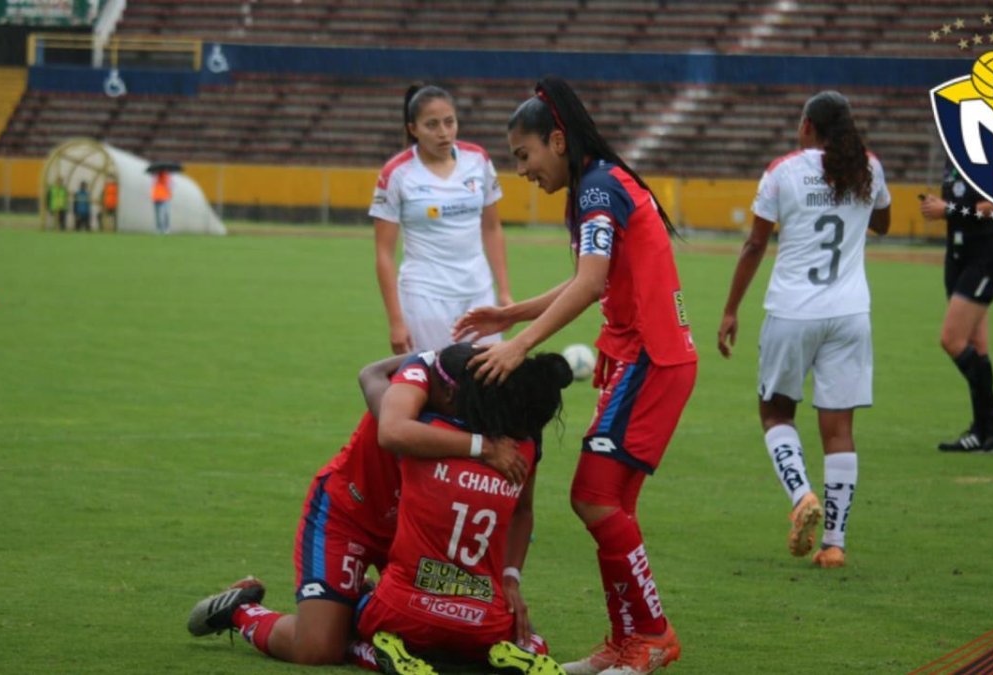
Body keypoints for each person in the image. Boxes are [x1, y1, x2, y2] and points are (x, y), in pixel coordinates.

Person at [453, 76, 698, 675]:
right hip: (646, 357)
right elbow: (594, 277)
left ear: (557, 141)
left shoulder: (597, 188)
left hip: (650, 358)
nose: (522, 170)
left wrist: (519, 346)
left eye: (524, 155)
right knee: (609, 504)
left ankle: (653, 635)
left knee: (592, 498)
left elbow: (590, 284)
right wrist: (511, 314)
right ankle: (626, 639)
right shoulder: (600, 183)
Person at [186, 344, 535, 668]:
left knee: (451, 632)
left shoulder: (492, 411)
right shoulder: (412, 387)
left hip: (414, 535)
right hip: (349, 516)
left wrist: (509, 578)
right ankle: (241, 609)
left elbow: (522, 508)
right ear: (447, 392)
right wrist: (479, 444)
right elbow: (387, 416)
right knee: (317, 649)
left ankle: (357, 601)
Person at [717, 91, 891, 569]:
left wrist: (731, 309)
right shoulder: (869, 167)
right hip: (850, 314)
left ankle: (801, 496)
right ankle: (834, 544)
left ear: (809, 126)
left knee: (775, 414)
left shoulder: (784, 171)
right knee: (839, 430)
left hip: (792, 312)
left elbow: (755, 245)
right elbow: (883, 223)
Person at [358, 351, 573, 675]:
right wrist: (511, 579)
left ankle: (372, 652)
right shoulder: (525, 452)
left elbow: (373, 383)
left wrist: (423, 358)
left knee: (356, 610)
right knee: (531, 639)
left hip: (405, 610)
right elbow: (523, 514)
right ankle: (497, 654)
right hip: (482, 620)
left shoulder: (425, 431)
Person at [371, 84, 512, 354]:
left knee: (488, 374)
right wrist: (396, 322)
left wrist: (504, 291)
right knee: (434, 376)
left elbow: (492, 228)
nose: (443, 132)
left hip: (479, 293)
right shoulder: (396, 173)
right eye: (432, 125)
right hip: (425, 297)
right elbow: (384, 254)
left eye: (449, 122)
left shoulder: (478, 159)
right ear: (413, 129)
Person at [920, 161, 993, 453]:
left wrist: (947, 210)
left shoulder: (985, 156)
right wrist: (938, 207)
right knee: (976, 346)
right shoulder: (953, 159)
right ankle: (981, 429)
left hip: (985, 255)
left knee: (951, 340)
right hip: (958, 255)